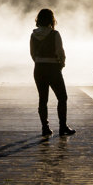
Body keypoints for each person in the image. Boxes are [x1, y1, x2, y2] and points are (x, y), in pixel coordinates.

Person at [29, 8, 75, 137]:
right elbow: (60, 52)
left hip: (38, 68)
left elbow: (32, 53)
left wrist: (39, 62)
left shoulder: (33, 35)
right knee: (62, 97)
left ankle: (45, 128)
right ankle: (63, 127)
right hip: (53, 68)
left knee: (43, 99)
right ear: (51, 19)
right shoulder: (55, 34)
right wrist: (61, 65)